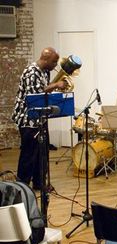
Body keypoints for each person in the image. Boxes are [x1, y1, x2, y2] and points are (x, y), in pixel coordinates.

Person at [11, 47, 68, 190]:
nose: (56, 65)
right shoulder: (32, 71)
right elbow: (34, 95)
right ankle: (22, 187)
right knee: (29, 153)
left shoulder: (45, 71)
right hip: (27, 118)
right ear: (45, 59)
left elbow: (44, 89)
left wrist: (54, 89)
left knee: (42, 152)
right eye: (54, 62)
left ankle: (39, 182)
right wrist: (56, 85)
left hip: (40, 117)